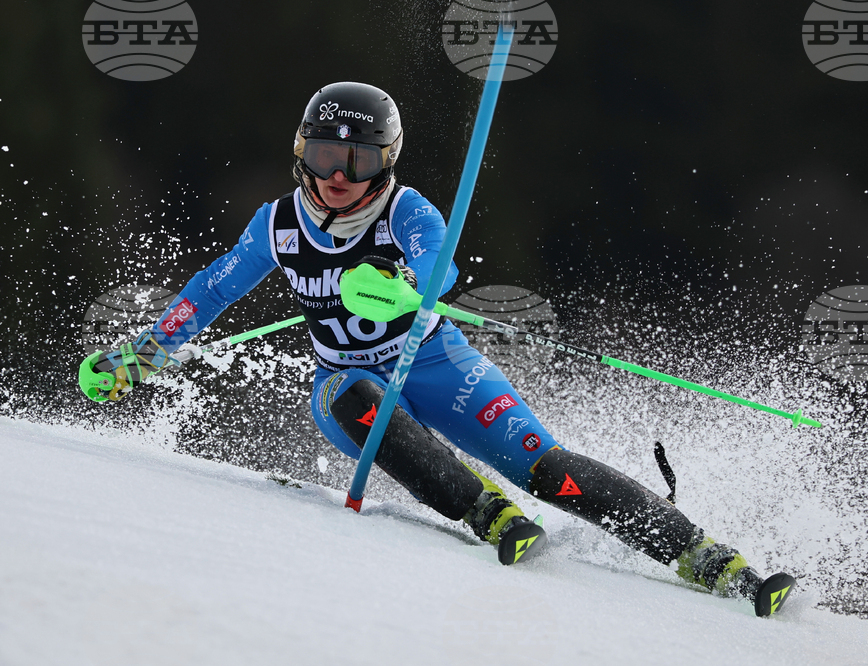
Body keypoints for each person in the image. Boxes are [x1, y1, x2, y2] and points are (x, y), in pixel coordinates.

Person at [79, 82, 794, 613]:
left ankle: (713, 559)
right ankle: (486, 514)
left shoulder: (405, 209)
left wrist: (405, 286)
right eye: (327, 155)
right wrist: (139, 357)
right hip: (348, 383)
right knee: (348, 395)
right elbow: (210, 292)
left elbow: (439, 264)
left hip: (439, 368)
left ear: (384, 162)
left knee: (550, 470)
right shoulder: (277, 224)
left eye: (358, 162)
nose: (338, 175)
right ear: (303, 151)